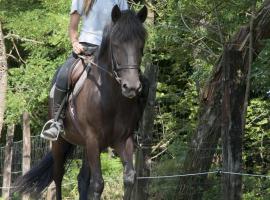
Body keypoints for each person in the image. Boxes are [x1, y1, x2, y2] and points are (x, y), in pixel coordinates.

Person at [41, 0, 129, 141]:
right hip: (86, 48)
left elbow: (125, 25)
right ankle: (56, 122)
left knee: (135, 78)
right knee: (63, 75)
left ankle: (133, 124)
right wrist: (75, 42)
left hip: (111, 50)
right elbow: (73, 27)